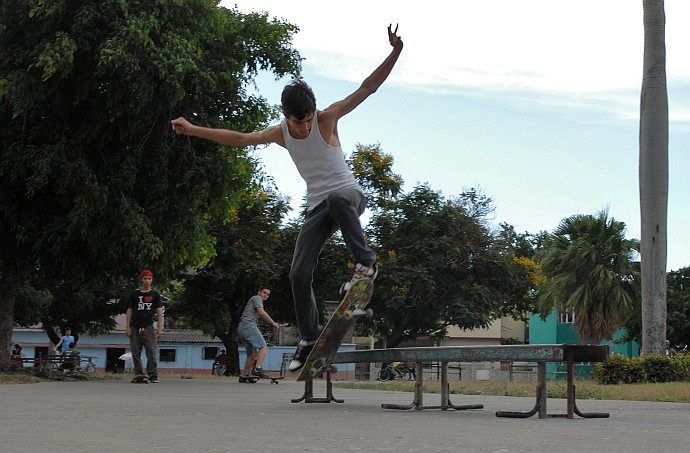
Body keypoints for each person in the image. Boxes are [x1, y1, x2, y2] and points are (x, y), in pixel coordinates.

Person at [171, 25, 404, 372]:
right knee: (298, 274)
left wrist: (395, 52)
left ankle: (366, 264)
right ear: (286, 116)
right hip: (316, 207)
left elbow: (366, 89)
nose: (304, 129)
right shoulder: (280, 133)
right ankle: (309, 338)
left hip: (348, 197)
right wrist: (193, 129)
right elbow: (240, 139)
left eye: (308, 121)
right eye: (298, 124)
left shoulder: (327, 118)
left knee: (339, 199)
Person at [126, 269, 164, 383]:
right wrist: (127, 326)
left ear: (151, 280)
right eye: (145, 278)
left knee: (151, 352)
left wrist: (160, 327)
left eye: (149, 279)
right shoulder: (135, 295)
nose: (147, 281)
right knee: (135, 352)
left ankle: (153, 374)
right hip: (135, 326)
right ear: (141, 280)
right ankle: (139, 373)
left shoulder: (155, 295)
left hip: (148, 326)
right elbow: (129, 311)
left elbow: (159, 311)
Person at [237, 286, 280, 382]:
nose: (266, 295)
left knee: (252, 354)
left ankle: (244, 376)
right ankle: (258, 368)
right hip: (248, 324)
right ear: (259, 292)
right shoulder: (257, 298)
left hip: (242, 327)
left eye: (268, 294)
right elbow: (261, 312)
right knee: (263, 346)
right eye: (264, 292)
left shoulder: (254, 300)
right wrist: (273, 323)